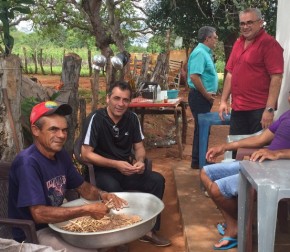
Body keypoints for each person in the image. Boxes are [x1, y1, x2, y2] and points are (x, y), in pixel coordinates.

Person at [8, 101, 127, 252]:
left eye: (64, 130)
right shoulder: (27, 163)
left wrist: (103, 195)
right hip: (33, 232)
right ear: (35, 130)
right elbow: (39, 214)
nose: (61, 135)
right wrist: (87, 209)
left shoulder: (61, 155)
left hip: (59, 223)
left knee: (112, 234)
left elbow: (83, 187)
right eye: (53, 129)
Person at [81, 81, 171, 247]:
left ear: (130, 102)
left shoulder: (132, 118)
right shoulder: (96, 119)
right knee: (114, 188)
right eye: (116, 98)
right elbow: (86, 154)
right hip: (101, 172)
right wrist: (115, 164)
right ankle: (119, 235)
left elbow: (139, 148)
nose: (120, 104)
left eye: (125, 100)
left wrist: (140, 161)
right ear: (108, 98)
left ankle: (148, 230)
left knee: (157, 181)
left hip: (127, 170)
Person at [200, 93, 290, 250]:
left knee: (217, 189)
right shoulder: (286, 115)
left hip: (276, 173)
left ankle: (238, 226)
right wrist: (225, 147)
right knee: (206, 172)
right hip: (260, 163)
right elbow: (260, 139)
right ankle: (235, 223)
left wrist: (278, 154)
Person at [219, 8, 284, 141]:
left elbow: (276, 78)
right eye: (242, 23)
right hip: (238, 109)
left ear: (260, 23)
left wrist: (269, 109)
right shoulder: (238, 43)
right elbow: (230, 73)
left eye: (249, 22)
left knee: (257, 153)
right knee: (235, 149)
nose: (245, 26)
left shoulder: (269, 44)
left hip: (259, 111)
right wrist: (223, 101)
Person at [187, 26, 219, 169]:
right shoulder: (200, 52)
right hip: (200, 97)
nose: (216, 40)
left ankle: (198, 160)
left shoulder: (205, 53)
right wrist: (206, 95)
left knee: (202, 128)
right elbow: (194, 76)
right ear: (207, 38)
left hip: (202, 97)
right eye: (215, 37)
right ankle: (199, 161)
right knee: (202, 128)